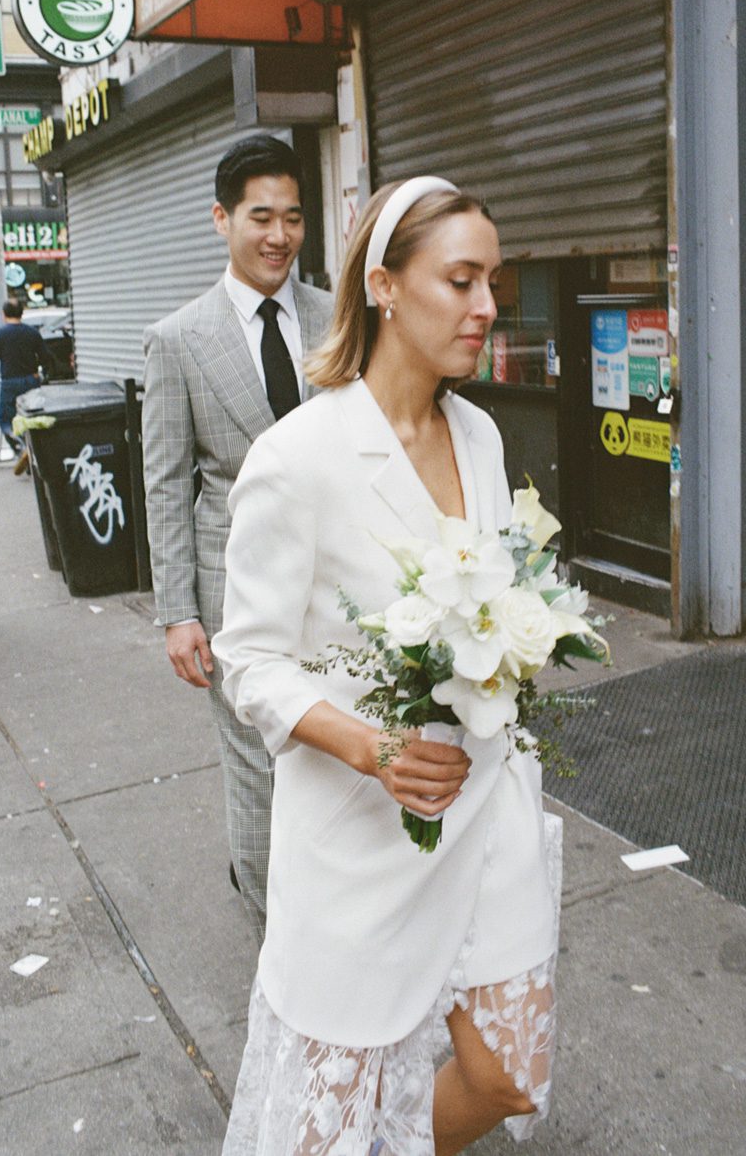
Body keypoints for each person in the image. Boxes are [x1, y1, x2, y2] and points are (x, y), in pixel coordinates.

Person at [212, 177, 560, 1155]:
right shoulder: (300, 457)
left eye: (494, 278)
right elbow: (250, 658)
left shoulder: (483, 433)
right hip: (367, 840)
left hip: (489, 812)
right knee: (332, 1124)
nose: (489, 304)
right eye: (461, 278)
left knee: (509, 1075)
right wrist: (373, 746)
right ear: (386, 285)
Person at [141, 134, 333, 941]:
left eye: (293, 218)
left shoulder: (335, 315)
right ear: (223, 220)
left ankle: (331, 909)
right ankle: (276, 929)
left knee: (329, 748)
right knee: (257, 765)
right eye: (261, 216)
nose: (279, 236)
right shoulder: (179, 340)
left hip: (335, 581)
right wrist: (177, 611)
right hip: (235, 589)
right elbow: (165, 481)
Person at [0, 299, 51, 474]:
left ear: (4, 314)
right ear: (22, 313)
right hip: (31, 380)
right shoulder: (32, 333)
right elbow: (45, 356)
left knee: (5, 419)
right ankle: (32, 448)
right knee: (31, 418)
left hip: (9, 381)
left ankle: (21, 447)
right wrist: (44, 376)